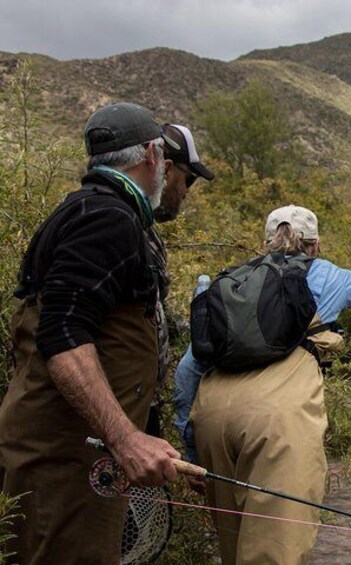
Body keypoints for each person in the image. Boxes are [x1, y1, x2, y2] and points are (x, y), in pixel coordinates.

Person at [177, 205, 351, 564]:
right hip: (277, 421)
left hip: (212, 419)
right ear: (315, 245)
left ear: (264, 243)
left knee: (232, 545)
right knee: (277, 549)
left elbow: (188, 369)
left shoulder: (233, 282)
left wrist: (191, 449)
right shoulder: (331, 276)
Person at [0, 102, 185, 564]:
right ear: (151, 155)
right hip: (66, 459)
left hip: (74, 450)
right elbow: (63, 334)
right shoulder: (107, 219)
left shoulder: (87, 208)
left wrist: (144, 438)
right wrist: (126, 440)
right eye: (164, 156)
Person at [145, 123, 214, 439]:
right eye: (190, 179)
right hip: (116, 420)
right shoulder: (114, 224)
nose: (188, 190)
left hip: (140, 409)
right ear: (167, 169)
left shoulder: (144, 228)